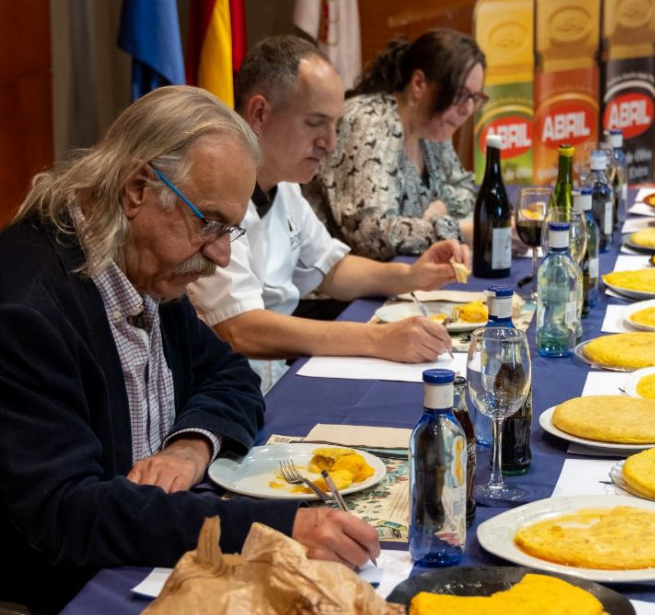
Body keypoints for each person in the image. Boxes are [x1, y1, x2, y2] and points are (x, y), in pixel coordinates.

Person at [0, 86, 379, 615]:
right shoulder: (20, 311)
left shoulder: (143, 262)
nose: (222, 256)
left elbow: (229, 374)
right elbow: (68, 516)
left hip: (135, 553)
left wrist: (190, 446)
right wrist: (274, 529)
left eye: (231, 230)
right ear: (137, 189)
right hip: (52, 608)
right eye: (208, 223)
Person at [188, 35, 469, 393]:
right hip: (221, 394)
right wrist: (377, 340)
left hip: (275, 380)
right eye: (315, 123)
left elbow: (331, 269)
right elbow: (238, 328)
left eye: (334, 124)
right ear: (260, 113)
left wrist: (412, 275)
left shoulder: (284, 184)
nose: (331, 142)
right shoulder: (211, 192)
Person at [304, 28, 485, 260]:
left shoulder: (432, 129)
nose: (468, 109)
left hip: (394, 275)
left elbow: (465, 189)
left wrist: (436, 211)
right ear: (419, 83)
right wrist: (458, 231)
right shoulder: (369, 121)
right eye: (459, 94)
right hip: (337, 286)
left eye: (475, 98)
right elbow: (370, 234)